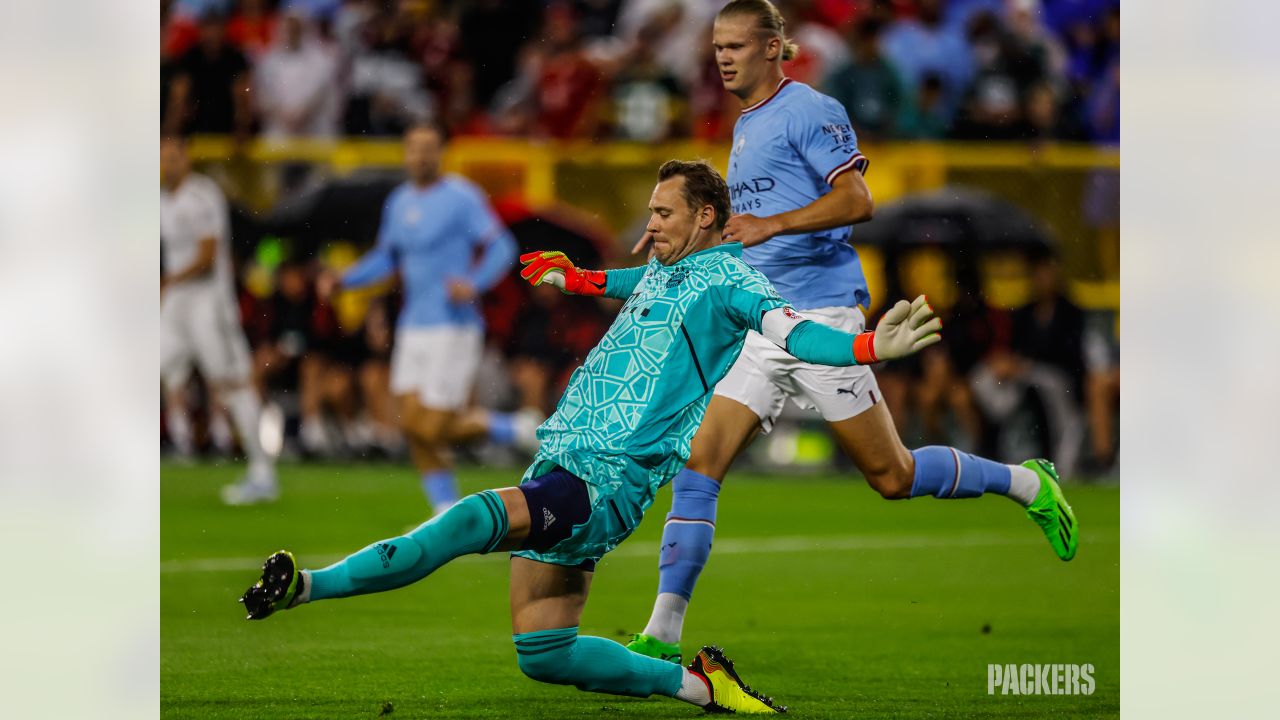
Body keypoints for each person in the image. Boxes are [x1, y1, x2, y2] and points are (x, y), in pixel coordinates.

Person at [239, 159, 942, 713]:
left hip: (600, 479)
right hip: (570, 460)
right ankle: (701, 687)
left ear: (705, 216)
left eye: (664, 213)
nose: (651, 224)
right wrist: (577, 277)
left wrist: (868, 349)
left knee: (466, 521)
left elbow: (793, 331)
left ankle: (305, 587)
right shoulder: (669, 269)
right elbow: (631, 279)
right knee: (543, 651)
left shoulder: (731, 283)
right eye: (649, 212)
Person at [624, 0, 1078, 665]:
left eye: (738, 45)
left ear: (776, 48)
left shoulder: (809, 109)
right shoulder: (745, 126)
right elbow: (749, 226)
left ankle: (1027, 483)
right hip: (762, 320)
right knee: (701, 461)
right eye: (718, 45)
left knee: (890, 476)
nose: (723, 56)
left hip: (822, 316)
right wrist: (685, 243)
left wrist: (772, 226)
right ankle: (661, 634)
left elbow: (858, 201)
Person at [325, 123, 522, 514]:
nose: (421, 156)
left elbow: (502, 244)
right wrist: (345, 280)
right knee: (413, 426)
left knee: (433, 425)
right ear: (405, 154)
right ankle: (443, 510)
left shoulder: (461, 197)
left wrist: (475, 282)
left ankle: (517, 429)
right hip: (413, 325)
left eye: (429, 148)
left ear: (441, 153)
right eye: (414, 148)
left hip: (454, 326)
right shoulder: (398, 201)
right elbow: (387, 257)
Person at [160, 135, 278, 504]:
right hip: (177, 304)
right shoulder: (162, 199)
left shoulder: (202, 195)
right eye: (163, 158)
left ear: (186, 159)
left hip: (210, 304)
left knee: (231, 384)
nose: (168, 164)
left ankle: (263, 473)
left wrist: (167, 280)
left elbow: (208, 255)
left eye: (174, 157)